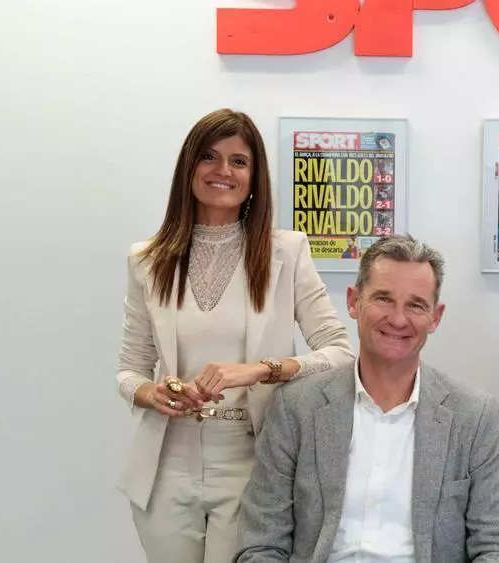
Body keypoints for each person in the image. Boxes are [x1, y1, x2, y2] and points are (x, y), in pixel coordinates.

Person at [115, 108, 356, 563]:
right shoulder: (147, 259)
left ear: (254, 176)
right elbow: (130, 370)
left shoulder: (287, 251)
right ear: (189, 166)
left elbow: (340, 353)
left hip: (253, 462)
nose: (222, 170)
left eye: (239, 161)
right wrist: (154, 393)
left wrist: (260, 370)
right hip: (166, 467)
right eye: (209, 156)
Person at [235, 234, 499, 563]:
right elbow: (261, 543)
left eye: (415, 305)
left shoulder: (473, 416)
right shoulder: (295, 407)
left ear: (435, 317)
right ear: (353, 302)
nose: (398, 319)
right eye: (383, 299)